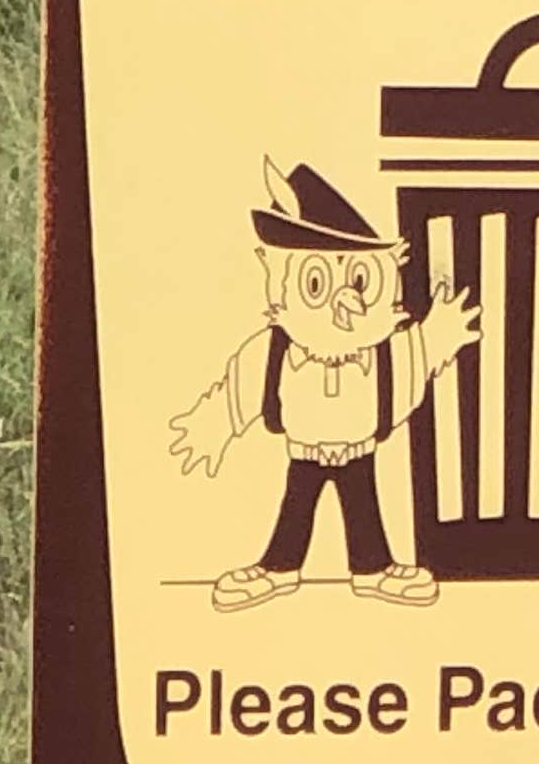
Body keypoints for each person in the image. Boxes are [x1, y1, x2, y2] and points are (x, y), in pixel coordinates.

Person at [169, 160, 481, 608]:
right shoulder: (276, 351)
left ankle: (372, 569)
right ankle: (278, 569)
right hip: (305, 450)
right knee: (296, 508)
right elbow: (240, 387)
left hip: (358, 449)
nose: (345, 301)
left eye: (359, 279)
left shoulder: (382, 352)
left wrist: (442, 331)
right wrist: (212, 426)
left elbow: (418, 354)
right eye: (316, 282)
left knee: (364, 509)